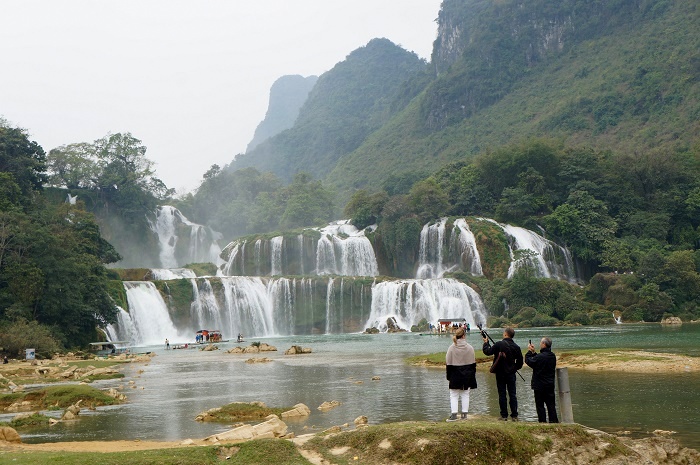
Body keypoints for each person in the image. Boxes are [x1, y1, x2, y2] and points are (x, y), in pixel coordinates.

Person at [482, 327, 523, 421]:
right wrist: (513, 368)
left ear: (505, 334)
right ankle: (514, 415)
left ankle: (504, 416)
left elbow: (487, 352)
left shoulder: (499, 344)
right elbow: (520, 363)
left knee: (502, 394)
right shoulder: (516, 347)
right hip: (511, 374)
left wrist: (485, 343)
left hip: (500, 373)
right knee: (513, 394)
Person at [445, 327, 477, 422]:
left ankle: (454, 415)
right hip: (467, 373)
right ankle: (464, 415)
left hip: (455, 372)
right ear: (464, 336)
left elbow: (448, 363)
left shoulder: (451, 348)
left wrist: (448, 377)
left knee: (454, 394)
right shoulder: (470, 348)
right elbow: (473, 364)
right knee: (465, 394)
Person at [525, 337, 559, 423]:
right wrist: (534, 352)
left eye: (541, 343)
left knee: (540, 405)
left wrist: (529, 352)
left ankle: (542, 422)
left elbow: (529, 361)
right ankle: (553, 421)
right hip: (549, 384)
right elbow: (539, 360)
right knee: (551, 405)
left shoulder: (540, 357)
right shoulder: (552, 356)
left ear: (544, 344)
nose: (540, 344)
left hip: (539, 385)